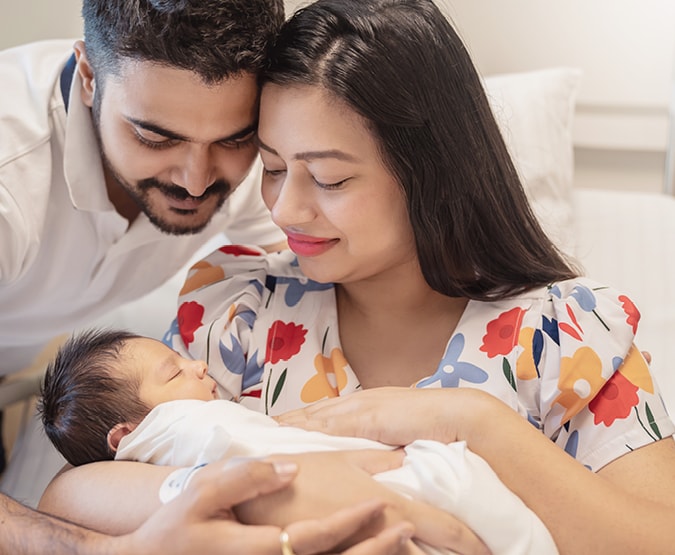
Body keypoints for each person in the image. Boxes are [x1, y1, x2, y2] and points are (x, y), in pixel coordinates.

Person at [40, 0, 675, 553]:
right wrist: (312, 499)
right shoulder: (236, 312)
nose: (285, 209)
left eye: (331, 178)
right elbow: (79, 491)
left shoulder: (568, 334)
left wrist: (475, 423)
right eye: (271, 166)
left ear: (430, 174)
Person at [38, 328, 557, 555]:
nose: (199, 364)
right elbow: (258, 461)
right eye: (174, 374)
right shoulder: (180, 429)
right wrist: (363, 461)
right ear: (128, 436)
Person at [1, 458, 419, 555]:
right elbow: (69, 496)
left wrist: (478, 417)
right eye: (174, 371)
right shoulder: (229, 313)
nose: (285, 225)